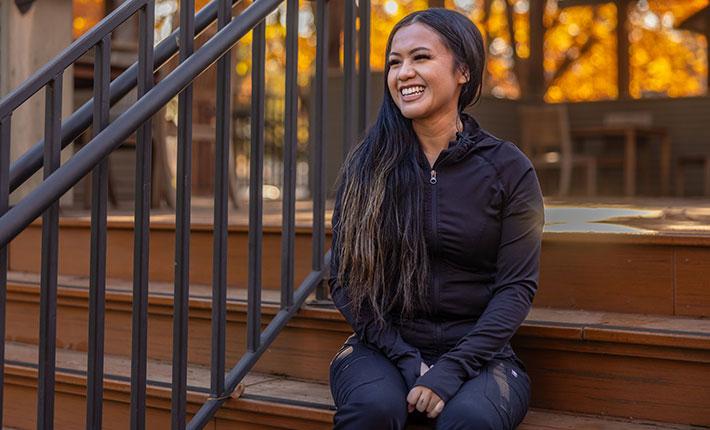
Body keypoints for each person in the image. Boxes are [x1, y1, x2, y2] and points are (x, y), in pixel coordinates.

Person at [327, 7, 544, 430]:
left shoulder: (508, 168)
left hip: (483, 355)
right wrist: (409, 361)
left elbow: (516, 288)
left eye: (420, 57)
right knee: (373, 410)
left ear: (463, 70)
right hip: (381, 348)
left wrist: (451, 370)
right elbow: (344, 280)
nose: (403, 73)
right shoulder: (367, 167)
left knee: (471, 420)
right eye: (395, 62)